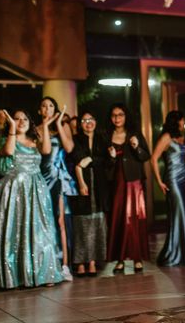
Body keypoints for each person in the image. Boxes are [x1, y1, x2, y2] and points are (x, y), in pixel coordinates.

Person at [0, 109, 64, 288]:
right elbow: (8, 152)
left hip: (36, 189)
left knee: (41, 230)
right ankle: (17, 276)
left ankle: (44, 273)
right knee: (16, 229)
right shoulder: (5, 139)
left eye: (25, 118)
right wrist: (11, 127)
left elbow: (47, 150)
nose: (21, 121)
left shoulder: (34, 140)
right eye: (16, 118)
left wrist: (46, 125)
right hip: (15, 190)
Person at [152, 110, 185, 267]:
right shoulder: (166, 137)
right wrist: (159, 182)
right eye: (182, 120)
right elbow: (154, 158)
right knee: (178, 214)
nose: (184, 123)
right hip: (173, 179)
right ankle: (175, 254)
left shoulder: (183, 138)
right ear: (176, 122)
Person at [105, 103, 151, 274]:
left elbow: (146, 155)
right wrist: (110, 158)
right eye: (114, 115)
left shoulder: (135, 134)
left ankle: (138, 258)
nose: (117, 118)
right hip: (116, 182)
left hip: (134, 182)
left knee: (134, 219)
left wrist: (136, 146)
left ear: (126, 116)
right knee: (118, 219)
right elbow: (105, 163)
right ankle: (120, 259)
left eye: (120, 115)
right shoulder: (106, 135)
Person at [37, 97, 78, 282]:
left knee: (60, 221)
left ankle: (64, 265)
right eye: (44, 106)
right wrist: (46, 125)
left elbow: (69, 147)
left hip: (57, 178)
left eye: (51, 106)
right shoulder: (36, 130)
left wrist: (60, 123)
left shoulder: (63, 126)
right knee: (42, 222)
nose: (47, 109)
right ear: (40, 110)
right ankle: (45, 264)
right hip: (39, 178)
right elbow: (44, 152)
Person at [69, 110, 109, 277]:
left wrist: (92, 160)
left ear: (95, 121)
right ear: (80, 124)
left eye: (91, 119)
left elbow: (106, 161)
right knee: (81, 225)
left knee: (96, 223)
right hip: (82, 186)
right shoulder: (76, 139)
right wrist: (81, 182)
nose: (88, 123)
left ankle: (93, 261)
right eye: (84, 120)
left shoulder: (102, 139)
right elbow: (77, 162)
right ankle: (80, 262)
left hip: (99, 186)